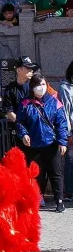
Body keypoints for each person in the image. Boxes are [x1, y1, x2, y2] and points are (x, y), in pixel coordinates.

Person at [17, 74, 68, 212]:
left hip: (51, 144)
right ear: (32, 87)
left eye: (44, 84)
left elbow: (62, 124)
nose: (41, 88)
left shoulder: (55, 102)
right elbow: (20, 122)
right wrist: (24, 134)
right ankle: (38, 199)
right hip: (33, 145)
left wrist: (63, 142)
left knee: (56, 173)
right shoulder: (25, 103)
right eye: (38, 85)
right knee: (37, 174)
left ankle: (59, 201)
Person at [2, 56, 39, 151]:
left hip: (37, 129)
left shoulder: (35, 86)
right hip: (19, 132)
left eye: (32, 68)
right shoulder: (10, 89)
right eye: (28, 68)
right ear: (18, 70)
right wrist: (22, 126)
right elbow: (8, 111)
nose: (31, 70)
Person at [58, 61, 73, 201]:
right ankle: (69, 191)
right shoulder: (65, 88)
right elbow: (65, 112)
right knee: (70, 160)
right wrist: (67, 133)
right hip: (71, 129)